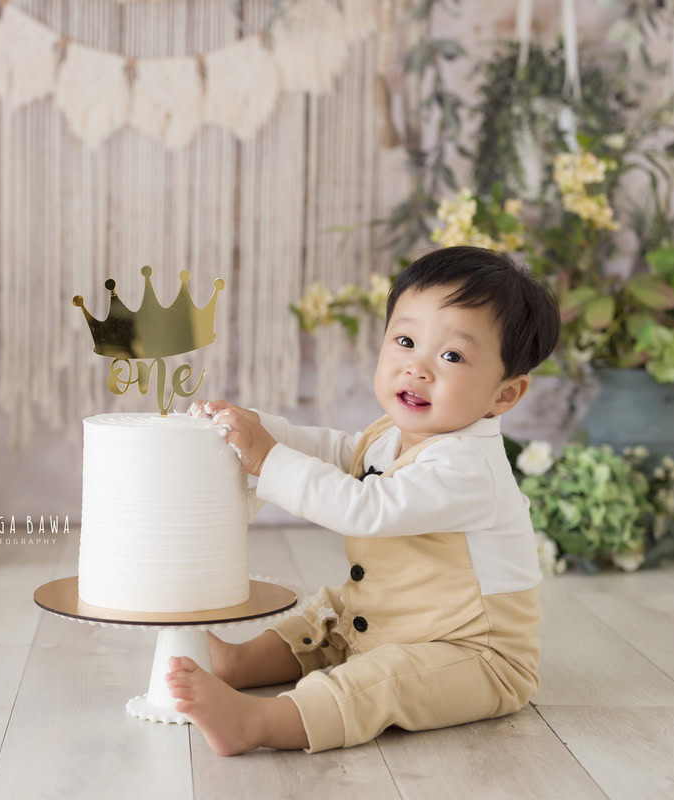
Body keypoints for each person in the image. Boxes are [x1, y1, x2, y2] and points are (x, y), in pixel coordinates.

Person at [171, 245, 561, 756]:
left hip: (472, 654)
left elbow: (365, 507)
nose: (417, 369)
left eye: (451, 356)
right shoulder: (393, 434)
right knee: (328, 615)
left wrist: (268, 459)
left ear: (504, 395)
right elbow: (338, 452)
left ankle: (261, 722)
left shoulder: (469, 467)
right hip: (388, 618)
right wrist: (265, 428)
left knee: (384, 679)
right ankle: (240, 664)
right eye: (405, 341)